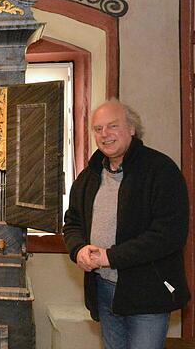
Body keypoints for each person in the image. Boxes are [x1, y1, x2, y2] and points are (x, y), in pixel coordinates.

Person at [63, 99, 190, 349]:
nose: (104, 134)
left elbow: (169, 234)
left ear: (132, 128)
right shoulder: (88, 175)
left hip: (148, 294)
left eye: (112, 126)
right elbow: (72, 222)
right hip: (103, 289)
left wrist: (111, 257)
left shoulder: (161, 170)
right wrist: (78, 249)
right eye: (98, 129)